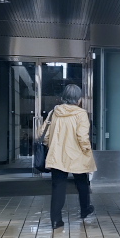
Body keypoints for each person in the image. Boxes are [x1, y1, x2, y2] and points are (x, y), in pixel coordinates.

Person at [40, 84, 97, 229]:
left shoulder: (54, 112)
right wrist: (87, 150)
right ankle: (85, 209)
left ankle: (56, 220)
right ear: (78, 99)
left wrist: (51, 146)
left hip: (58, 155)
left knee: (58, 186)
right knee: (82, 183)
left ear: (63, 97)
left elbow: (43, 135)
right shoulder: (81, 114)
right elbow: (82, 136)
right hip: (77, 155)